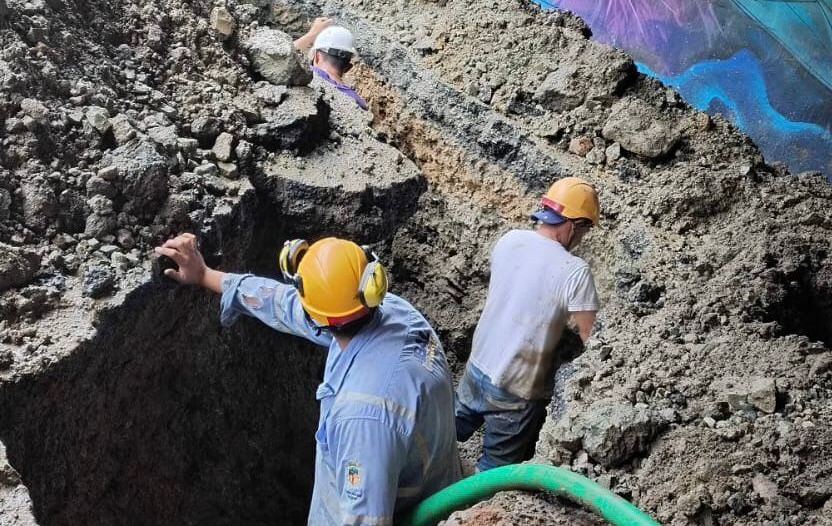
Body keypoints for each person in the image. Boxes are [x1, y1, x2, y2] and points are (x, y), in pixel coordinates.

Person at [155, 233, 460, 525]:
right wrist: (205, 274)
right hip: (431, 482)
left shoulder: (363, 418)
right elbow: (282, 303)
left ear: (320, 316)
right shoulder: (395, 312)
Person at [455, 177, 600, 471]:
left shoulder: (510, 240)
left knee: (442, 434)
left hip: (477, 367)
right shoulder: (575, 271)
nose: (582, 238)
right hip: (517, 388)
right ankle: (465, 498)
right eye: (585, 230)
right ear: (574, 225)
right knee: (493, 473)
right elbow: (593, 339)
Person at [294, 18, 368, 110]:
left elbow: (283, 58)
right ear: (348, 68)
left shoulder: (307, 77)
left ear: (317, 56)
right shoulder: (357, 102)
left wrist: (312, 33)